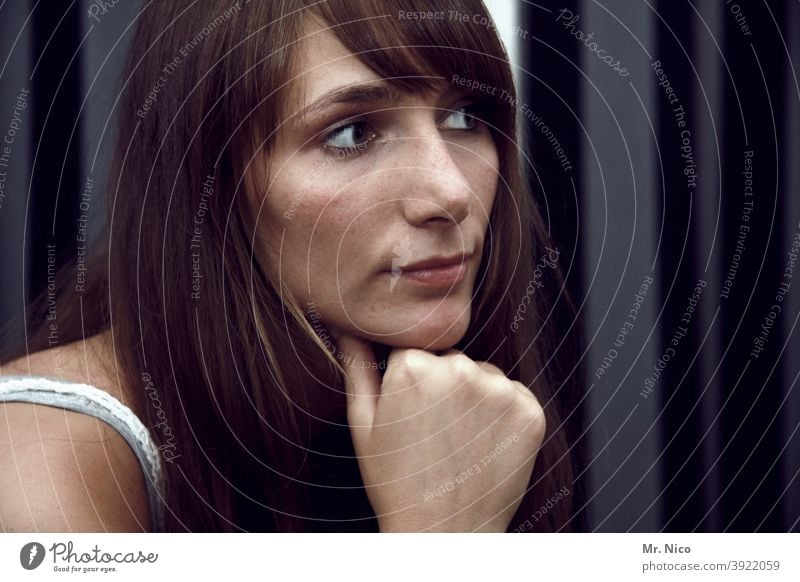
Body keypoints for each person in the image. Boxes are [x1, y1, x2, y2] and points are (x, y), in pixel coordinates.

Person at [0, 0, 579, 532]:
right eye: (353, 133)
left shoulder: (464, 414)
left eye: (464, 118)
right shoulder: (39, 458)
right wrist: (442, 543)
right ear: (213, 183)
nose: (451, 193)